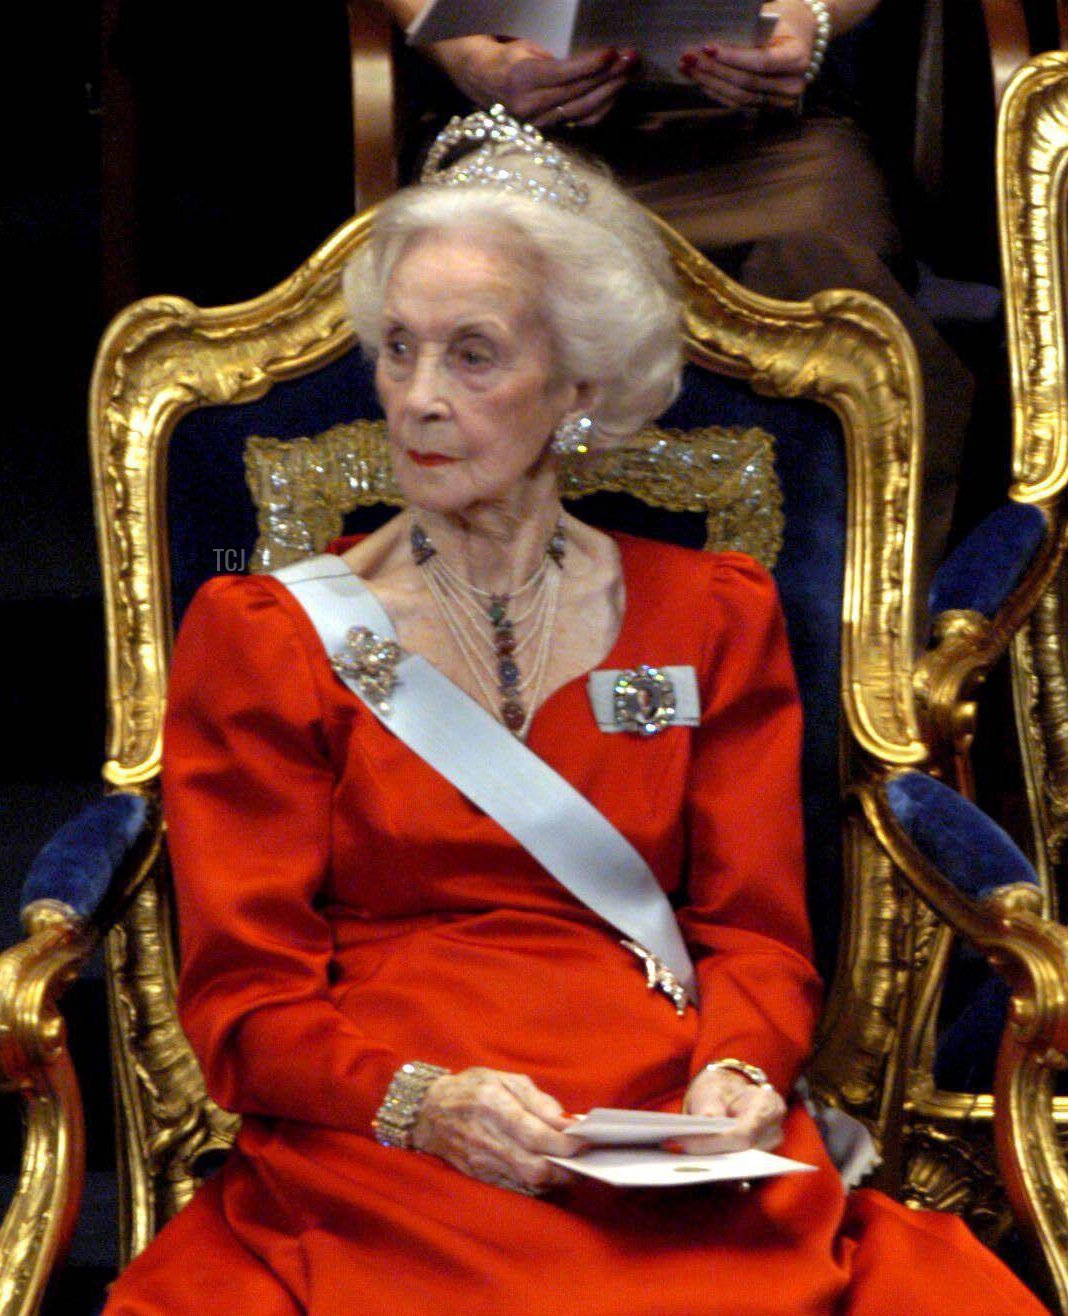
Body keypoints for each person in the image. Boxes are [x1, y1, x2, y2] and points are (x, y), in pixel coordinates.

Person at [103, 111, 1042, 1315]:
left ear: (579, 384)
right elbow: (246, 1000)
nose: (418, 400)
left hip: (655, 1115)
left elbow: (754, 934)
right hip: (390, 1135)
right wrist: (418, 1102)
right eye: (399, 349)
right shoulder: (268, 636)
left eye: (473, 355)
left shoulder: (711, 611)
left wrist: (738, 1068)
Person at [374, 0, 974, 621]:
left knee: (833, 283)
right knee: (475, 285)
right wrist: (468, 56)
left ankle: (857, 629)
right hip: (529, 121)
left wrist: (807, 18)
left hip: (766, 132)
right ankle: (478, 619)